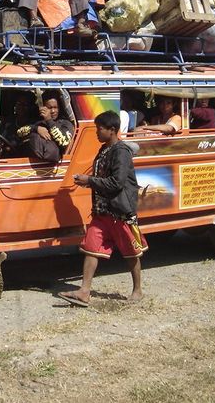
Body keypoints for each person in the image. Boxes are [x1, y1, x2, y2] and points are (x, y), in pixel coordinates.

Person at [58, 110, 146, 307]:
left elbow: (117, 182)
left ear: (112, 130)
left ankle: (137, 290)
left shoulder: (121, 152)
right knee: (91, 249)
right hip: (102, 211)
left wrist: (89, 181)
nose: (97, 132)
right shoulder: (105, 149)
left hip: (120, 212)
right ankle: (84, 291)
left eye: (100, 129)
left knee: (130, 251)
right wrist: (90, 182)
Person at [26, 93, 74, 162]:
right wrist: (36, 129)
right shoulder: (38, 123)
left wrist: (49, 120)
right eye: (49, 108)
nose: (53, 111)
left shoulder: (65, 123)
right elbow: (19, 132)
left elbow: (64, 142)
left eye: (55, 107)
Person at [0, 92, 36, 157]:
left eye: (25, 105)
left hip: (26, 159)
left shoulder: (35, 125)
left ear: (31, 107)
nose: (21, 107)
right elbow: (1, 139)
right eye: (19, 104)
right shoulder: (9, 122)